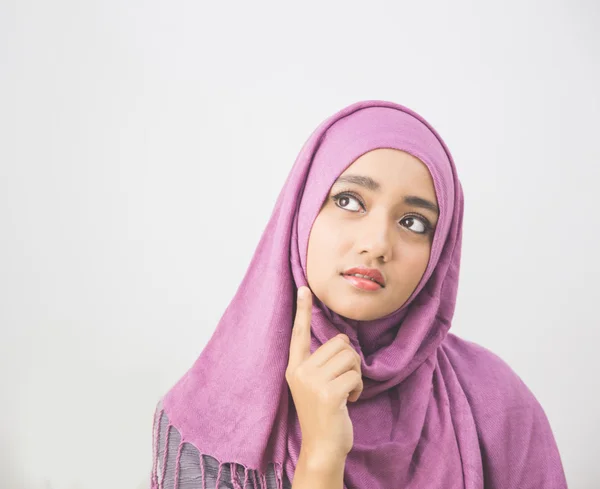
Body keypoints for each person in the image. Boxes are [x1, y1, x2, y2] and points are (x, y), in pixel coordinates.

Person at [149, 100, 568, 489]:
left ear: (439, 252)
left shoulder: (495, 403)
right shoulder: (210, 423)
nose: (377, 243)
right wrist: (321, 456)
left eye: (414, 222)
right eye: (349, 200)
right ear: (303, 210)